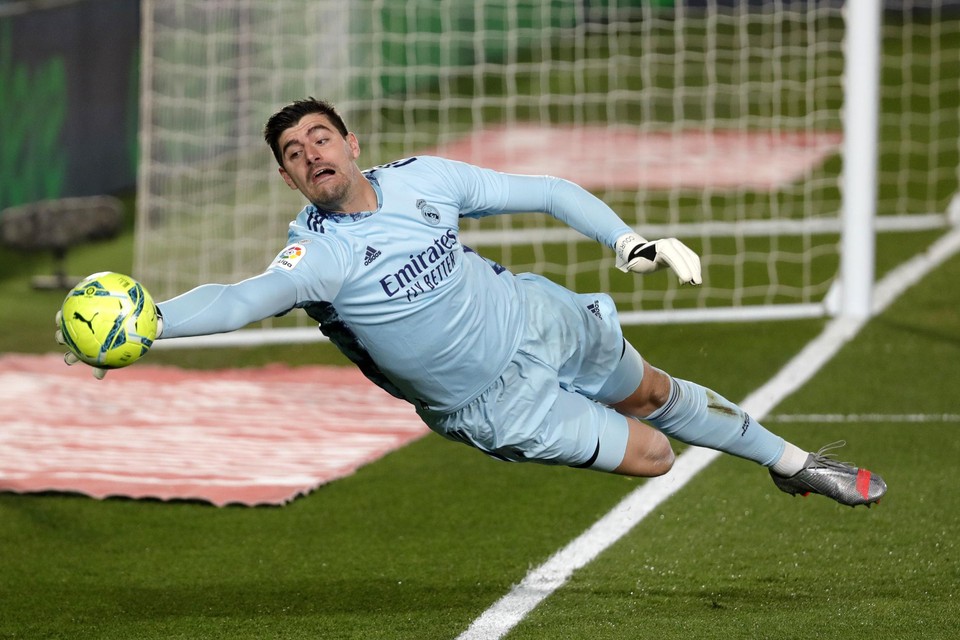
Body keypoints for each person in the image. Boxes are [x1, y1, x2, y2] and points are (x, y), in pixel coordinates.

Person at [57, 97, 885, 507]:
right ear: (287, 178)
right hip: (490, 402)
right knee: (653, 453)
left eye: (319, 136)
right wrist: (158, 320)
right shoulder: (319, 256)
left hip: (530, 313)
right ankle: (767, 457)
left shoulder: (427, 182)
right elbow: (243, 298)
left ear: (352, 143)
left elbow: (548, 188)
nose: (310, 153)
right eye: (292, 151)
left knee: (656, 392)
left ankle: (794, 464)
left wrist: (627, 239)